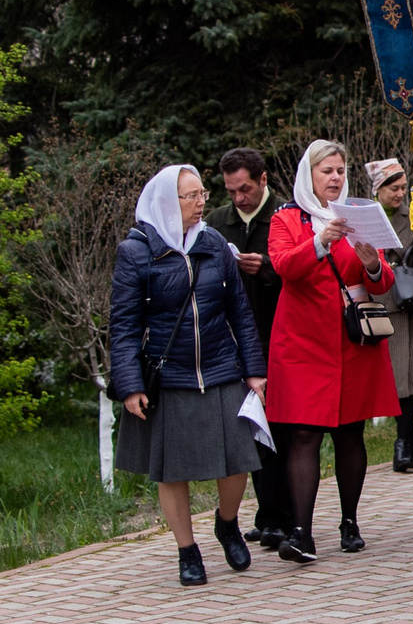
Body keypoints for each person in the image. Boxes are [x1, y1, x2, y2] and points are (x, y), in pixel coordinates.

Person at [112, 164, 267, 585]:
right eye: (192, 196)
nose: (201, 203)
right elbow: (123, 325)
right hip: (170, 376)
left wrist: (254, 371)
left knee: (238, 459)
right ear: (167, 201)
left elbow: (240, 312)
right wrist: (129, 385)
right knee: (172, 470)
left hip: (221, 367)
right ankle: (187, 550)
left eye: (203, 194)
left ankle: (227, 523)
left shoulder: (213, 243)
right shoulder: (136, 251)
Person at [265, 139, 397, 563]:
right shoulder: (286, 218)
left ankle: (350, 522)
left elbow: (383, 281)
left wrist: (372, 264)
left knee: (350, 431)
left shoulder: (357, 215)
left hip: (352, 340)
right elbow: (284, 266)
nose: (336, 178)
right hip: (303, 341)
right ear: (309, 175)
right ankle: (302, 533)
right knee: (303, 433)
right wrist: (320, 241)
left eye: (341, 170)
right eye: (327, 171)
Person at [206, 148, 292, 547]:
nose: (239, 198)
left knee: (281, 431)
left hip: (281, 336)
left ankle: (284, 516)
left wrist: (268, 269)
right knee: (250, 430)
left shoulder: (285, 215)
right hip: (234, 341)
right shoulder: (216, 223)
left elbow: (304, 270)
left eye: (245, 189)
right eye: (231, 191)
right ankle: (267, 514)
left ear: (263, 179)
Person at [365, 157, 413, 473]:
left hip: (412, 299)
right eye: (393, 188)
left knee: (411, 371)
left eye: (403, 187)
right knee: (395, 375)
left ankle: (403, 440)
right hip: (383, 301)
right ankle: (407, 438)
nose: (400, 194)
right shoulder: (365, 218)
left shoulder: (411, 214)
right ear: (379, 189)